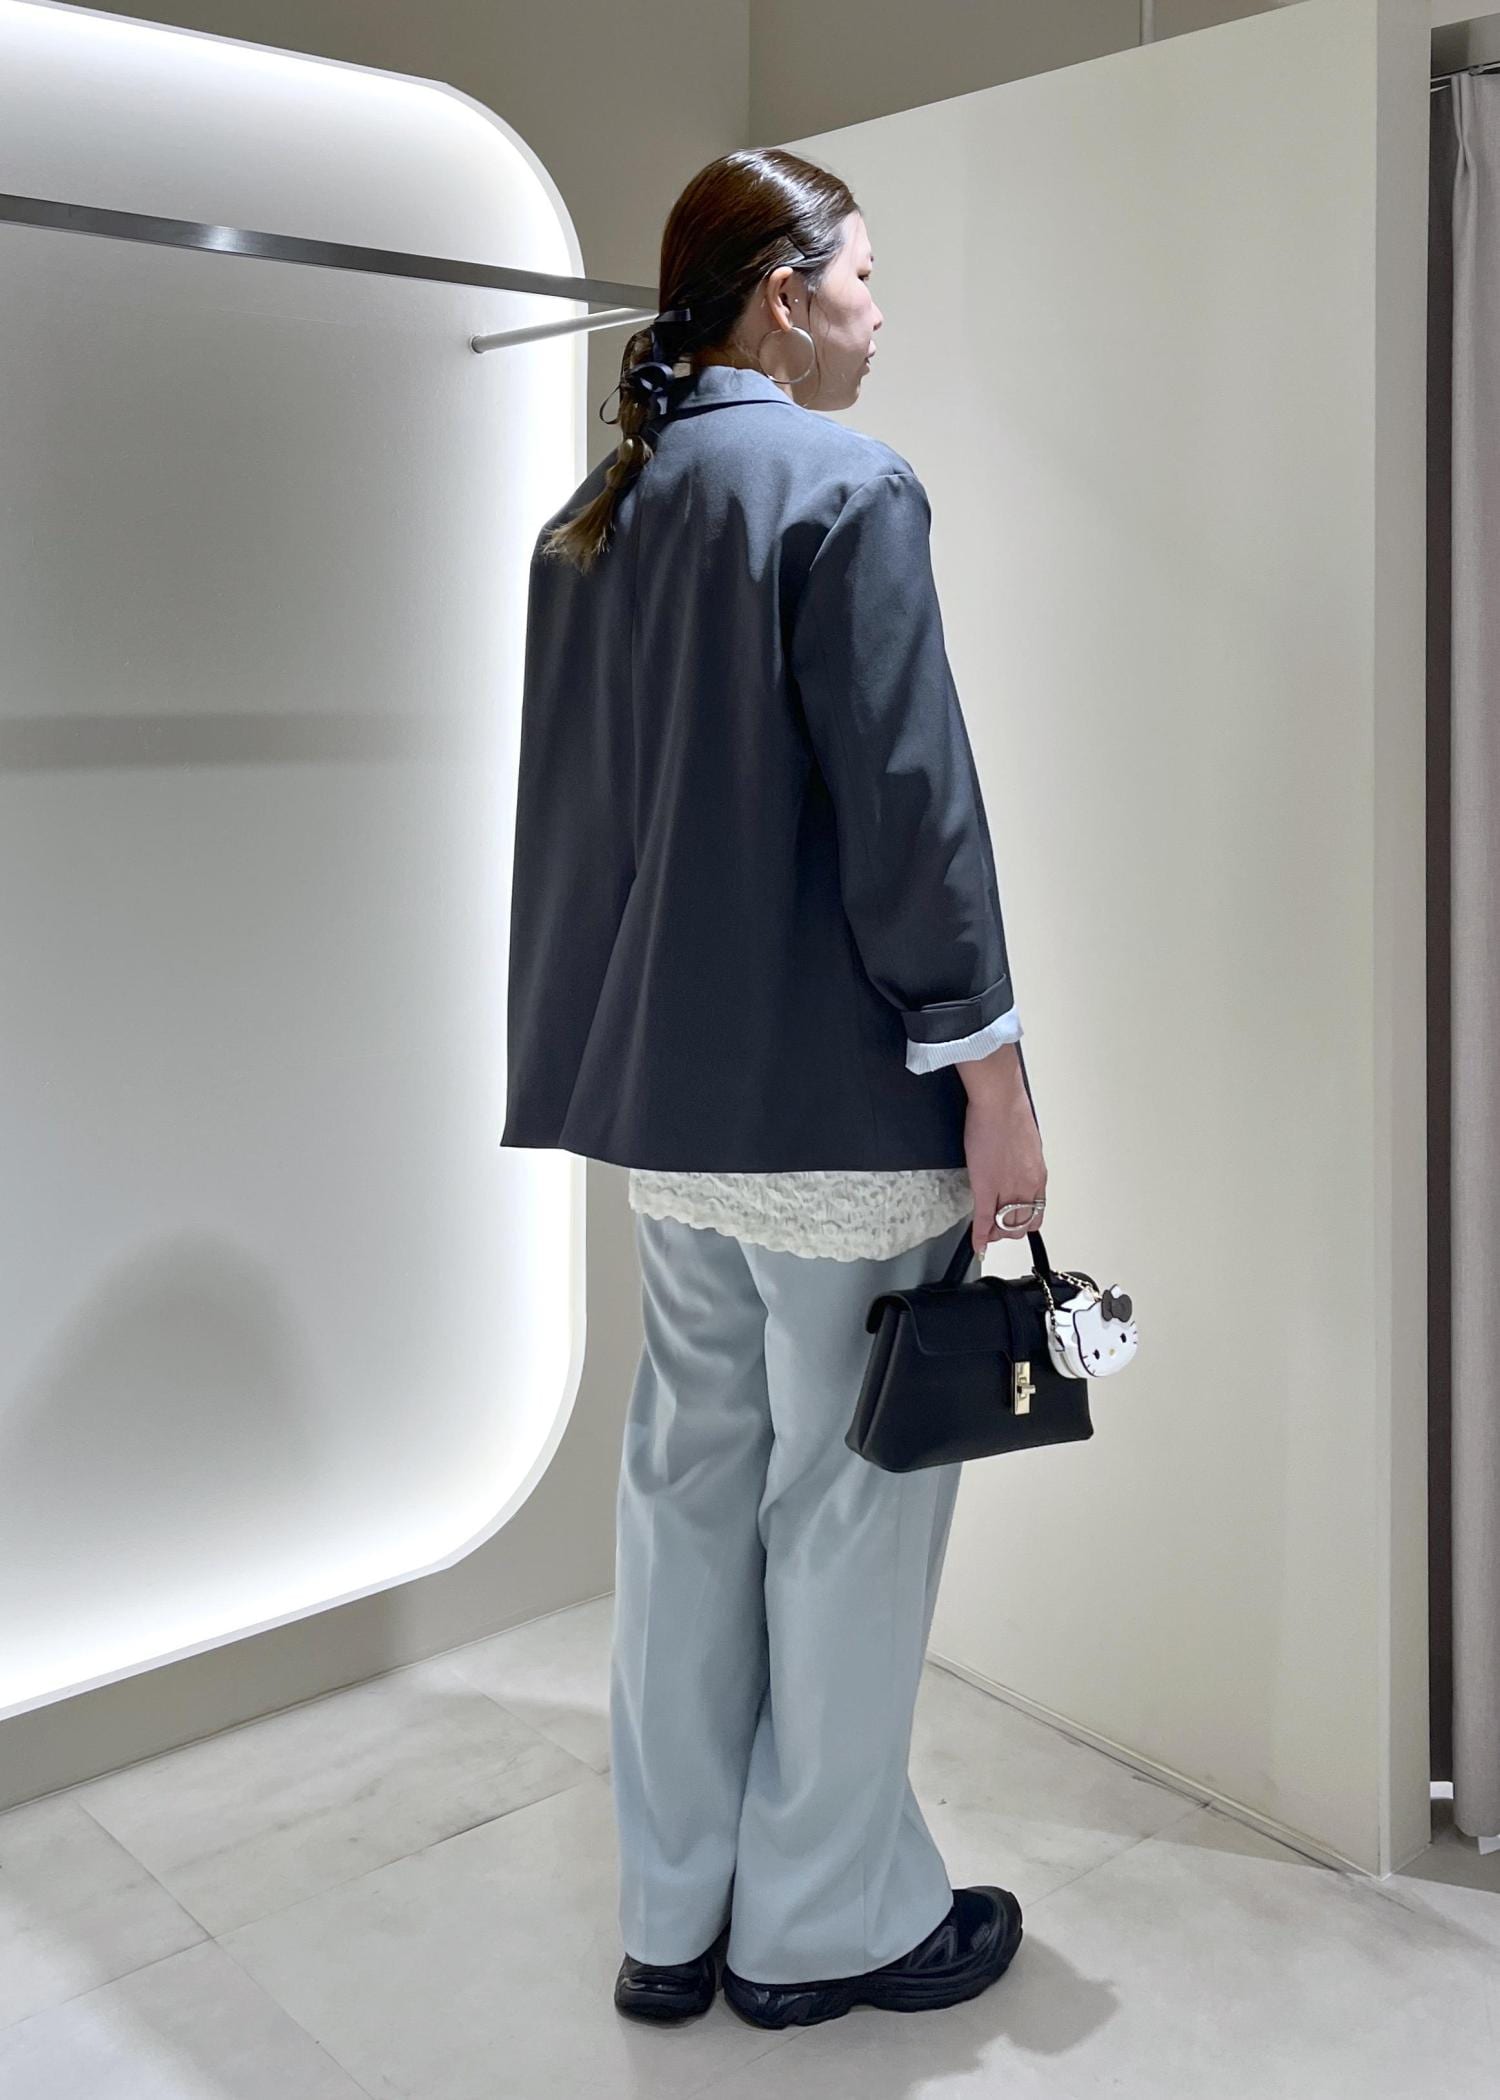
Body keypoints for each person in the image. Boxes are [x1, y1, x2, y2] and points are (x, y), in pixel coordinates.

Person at [499, 145, 1047, 2030]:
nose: (883, 313)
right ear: (787, 296)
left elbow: (583, 840)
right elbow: (915, 818)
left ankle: (675, 1914)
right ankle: (824, 1922)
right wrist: (995, 1076)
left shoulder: (594, 521)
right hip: (838, 1112)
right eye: (866, 277)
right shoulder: (844, 486)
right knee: (848, 1504)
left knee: (685, 1489)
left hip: (673, 1121)